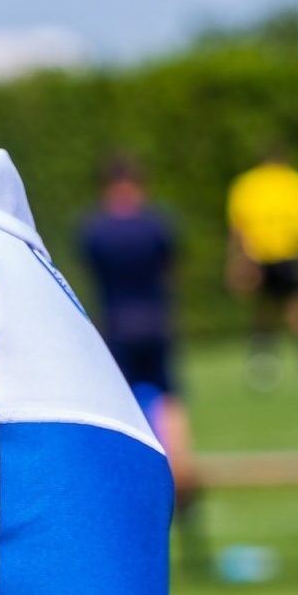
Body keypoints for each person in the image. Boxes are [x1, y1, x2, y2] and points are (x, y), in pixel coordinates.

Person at [78, 153, 195, 506]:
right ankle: (182, 477)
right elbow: (169, 269)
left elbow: (94, 273)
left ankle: (124, 479)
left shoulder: (94, 230)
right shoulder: (158, 226)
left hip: (116, 325)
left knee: (117, 405)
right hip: (156, 322)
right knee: (168, 398)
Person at [225, 145, 298, 391]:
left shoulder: (247, 184)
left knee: (265, 309)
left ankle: (265, 361)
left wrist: (237, 257)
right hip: (292, 254)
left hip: (259, 255)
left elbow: (237, 227)